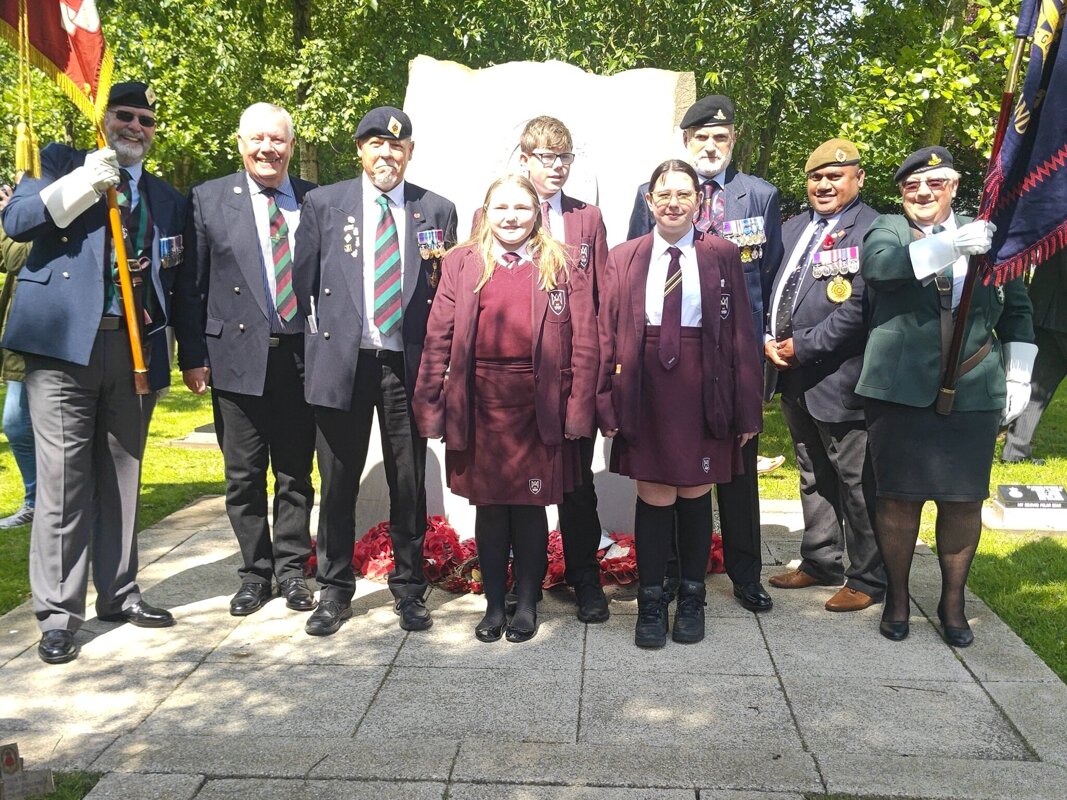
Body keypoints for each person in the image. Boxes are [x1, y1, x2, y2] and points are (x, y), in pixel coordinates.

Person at [1, 82, 186, 664]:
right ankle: (58, 614)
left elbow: (177, 275)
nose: (135, 127)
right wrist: (87, 180)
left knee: (123, 479)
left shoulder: (164, 195)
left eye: (146, 120)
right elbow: (19, 220)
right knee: (62, 484)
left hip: (133, 352)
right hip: (63, 350)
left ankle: (120, 591)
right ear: (103, 119)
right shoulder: (59, 161)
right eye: (125, 116)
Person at [858, 146, 1035, 647]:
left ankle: (952, 601)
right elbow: (882, 269)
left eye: (936, 184)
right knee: (898, 499)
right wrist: (953, 245)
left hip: (973, 387)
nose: (923, 193)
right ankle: (896, 596)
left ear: (955, 188)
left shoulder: (990, 238)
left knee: (962, 503)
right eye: (913, 186)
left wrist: (1019, 373)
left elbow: (1017, 308)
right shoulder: (889, 229)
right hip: (899, 390)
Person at [293, 106, 457, 636]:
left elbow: (442, 291)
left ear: (410, 152)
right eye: (376, 146)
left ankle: (410, 590)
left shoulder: (436, 210)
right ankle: (334, 590)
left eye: (397, 147)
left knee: (407, 482)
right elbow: (305, 282)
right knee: (337, 482)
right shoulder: (323, 204)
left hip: (404, 368)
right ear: (360, 150)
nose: (387, 155)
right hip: (343, 364)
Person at [414, 173, 597, 643]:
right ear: (486, 212)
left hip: (538, 409)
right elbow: (438, 338)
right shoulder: (461, 263)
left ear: (537, 212)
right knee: (492, 509)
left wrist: (579, 408)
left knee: (531, 508)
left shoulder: (561, 263)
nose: (511, 217)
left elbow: (585, 343)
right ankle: (495, 604)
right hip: (481, 409)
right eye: (501, 208)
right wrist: (430, 405)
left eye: (521, 207)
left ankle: (527, 603)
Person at [626, 95, 783, 613]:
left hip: (733, 352)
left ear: (733, 139)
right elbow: (633, 275)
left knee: (734, 475)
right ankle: (668, 575)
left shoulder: (758, 195)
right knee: (669, 477)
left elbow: (772, 273)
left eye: (720, 137)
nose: (711, 145)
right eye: (701, 138)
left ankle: (745, 572)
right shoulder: (651, 197)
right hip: (663, 356)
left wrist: (762, 344)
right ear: (687, 142)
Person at [599, 159, 762, 648]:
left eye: (683, 194)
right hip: (644, 388)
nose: (673, 202)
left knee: (694, 493)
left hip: (703, 385)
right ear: (649, 201)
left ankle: (692, 598)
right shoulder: (624, 256)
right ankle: (651, 603)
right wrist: (605, 401)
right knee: (653, 494)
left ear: (699, 201)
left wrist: (747, 408)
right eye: (663, 194)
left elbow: (741, 336)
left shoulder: (722, 255)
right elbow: (606, 332)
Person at [174, 103, 318, 617]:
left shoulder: (313, 199)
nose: (267, 149)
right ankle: (255, 573)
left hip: (301, 357)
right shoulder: (208, 199)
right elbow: (190, 287)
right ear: (240, 144)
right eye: (257, 139)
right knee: (243, 475)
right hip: (234, 357)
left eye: (278, 140)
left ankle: (294, 571)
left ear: (291, 147)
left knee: (297, 473)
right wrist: (191, 356)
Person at [765, 139, 886, 611]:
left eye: (835, 176)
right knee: (812, 473)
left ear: (858, 178)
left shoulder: (872, 229)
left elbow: (858, 307)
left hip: (839, 376)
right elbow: (775, 289)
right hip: (792, 375)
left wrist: (805, 346)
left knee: (856, 479)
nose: (824, 184)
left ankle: (869, 578)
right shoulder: (794, 227)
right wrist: (767, 338)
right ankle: (820, 561)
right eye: (816, 177)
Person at [517, 116, 610, 623]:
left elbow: (600, 296)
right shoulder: (498, 210)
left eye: (565, 158)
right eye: (546, 157)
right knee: (523, 483)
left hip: (574, 374)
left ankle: (586, 580)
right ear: (525, 158)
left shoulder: (586, 218)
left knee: (577, 486)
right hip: (518, 376)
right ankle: (525, 585)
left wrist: (600, 374)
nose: (556, 167)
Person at [1003, 249, 1067, 464]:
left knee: (1037, 385)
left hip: (1046, 311)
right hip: (1053, 311)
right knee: (1037, 385)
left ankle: (1015, 451)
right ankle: (1015, 450)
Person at [0, 177, 36, 530]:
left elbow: (17, 257)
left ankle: (42, 500)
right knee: (16, 422)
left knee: (19, 420)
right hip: (21, 334)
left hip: (46, 333)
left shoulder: (44, 212)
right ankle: (36, 499)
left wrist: (10, 217)